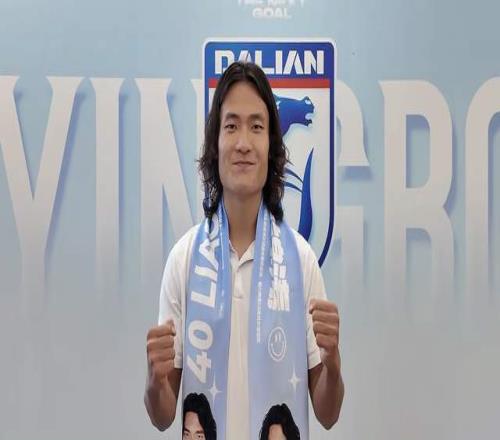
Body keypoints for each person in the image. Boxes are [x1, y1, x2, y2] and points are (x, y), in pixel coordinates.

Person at [144, 61, 344, 439]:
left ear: (272, 146)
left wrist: (332, 363)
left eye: (256, 126)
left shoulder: (301, 260)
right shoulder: (184, 259)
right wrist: (155, 380)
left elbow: (328, 412)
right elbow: (162, 415)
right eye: (231, 126)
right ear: (214, 144)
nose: (243, 143)